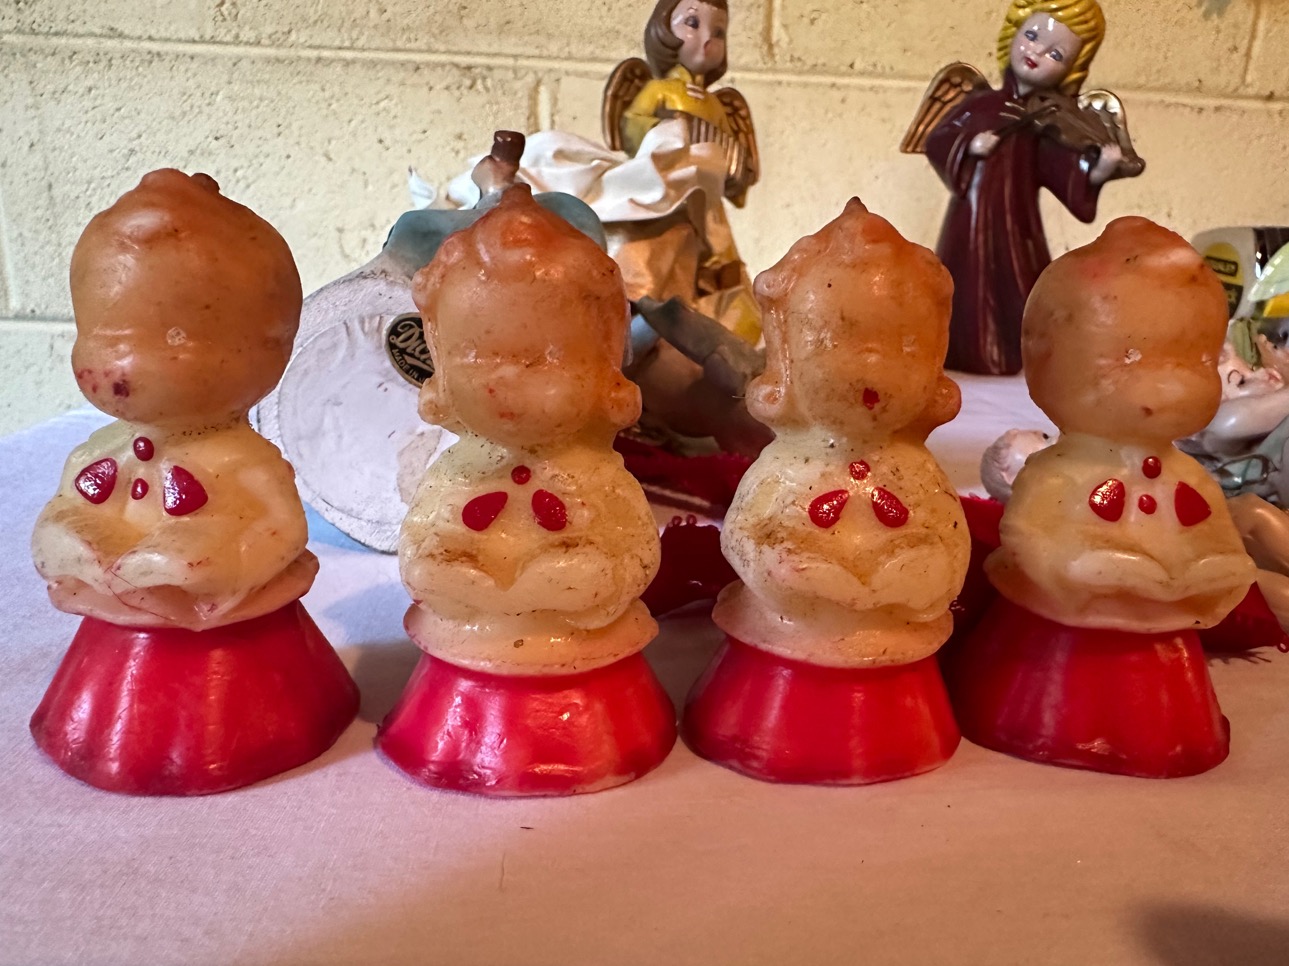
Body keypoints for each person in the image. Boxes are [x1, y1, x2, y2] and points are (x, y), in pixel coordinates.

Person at [919, 0, 1138, 375]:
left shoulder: (1046, 118)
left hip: (1017, 222)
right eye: (1032, 36)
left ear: (1071, 68)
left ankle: (1023, 353)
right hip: (971, 221)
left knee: (1021, 283)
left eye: (1056, 53)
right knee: (966, 283)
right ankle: (963, 351)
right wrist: (969, 145)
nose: (1036, 52)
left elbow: (1061, 170)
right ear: (1013, 33)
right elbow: (938, 139)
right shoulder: (980, 104)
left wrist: (1100, 168)